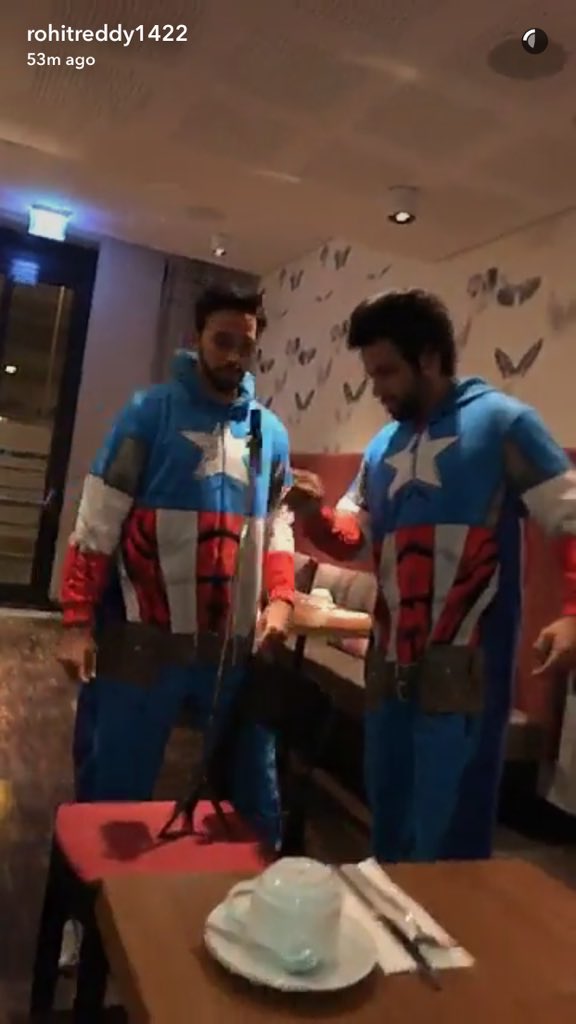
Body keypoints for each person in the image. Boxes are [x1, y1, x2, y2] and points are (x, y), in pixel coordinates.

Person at [286, 288, 576, 863]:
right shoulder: (383, 446)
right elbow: (354, 536)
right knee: (389, 825)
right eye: (371, 374)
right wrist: (314, 515)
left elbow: (570, 517)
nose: (378, 389)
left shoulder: (504, 424)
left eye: (387, 372)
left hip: (463, 676)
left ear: (429, 358)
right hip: (388, 668)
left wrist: (572, 613)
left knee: (448, 844)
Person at [57, 286, 295, 963]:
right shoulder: (148, 413)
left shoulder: (270, 432)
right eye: (223, 340)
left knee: (253, 794)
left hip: (233, 650)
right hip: (142, 642)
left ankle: (252, 925)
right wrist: (76, 622)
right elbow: (97, 521)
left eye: (246, 344)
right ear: (197, 338)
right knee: (115, 791)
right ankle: (90, 924)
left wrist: (281, 598)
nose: (235, 355)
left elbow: (277, 522)